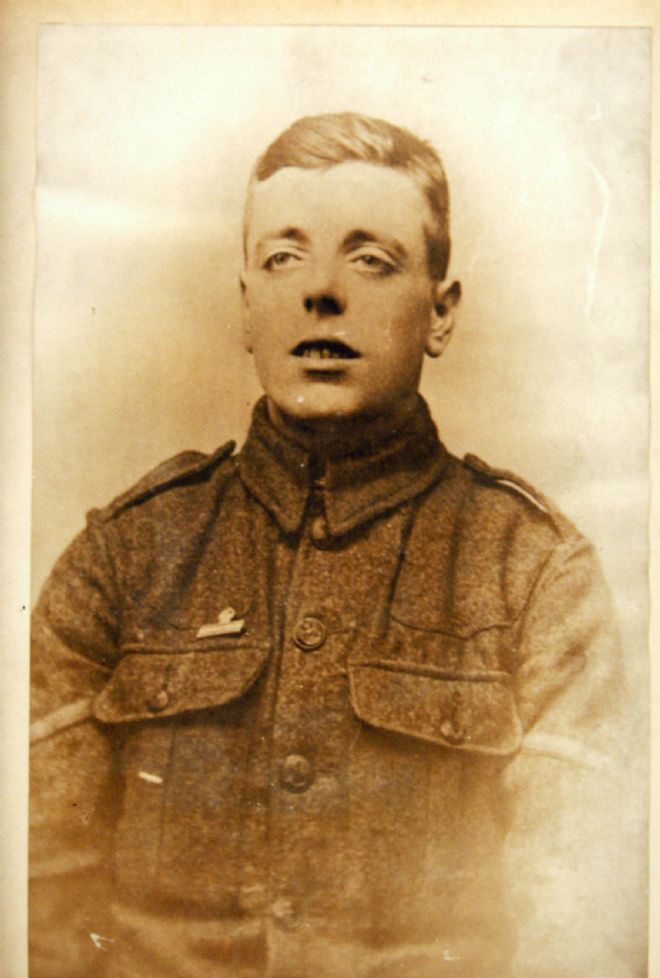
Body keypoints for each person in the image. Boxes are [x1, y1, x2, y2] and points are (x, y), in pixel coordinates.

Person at [29, 112, 644, 978]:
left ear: (441, 310)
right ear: (247, 308)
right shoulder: (125, 559)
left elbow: (579, 928)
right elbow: (35, 911)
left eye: (371, 259)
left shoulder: (533, 572)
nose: (321, 292)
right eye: (284, 258)